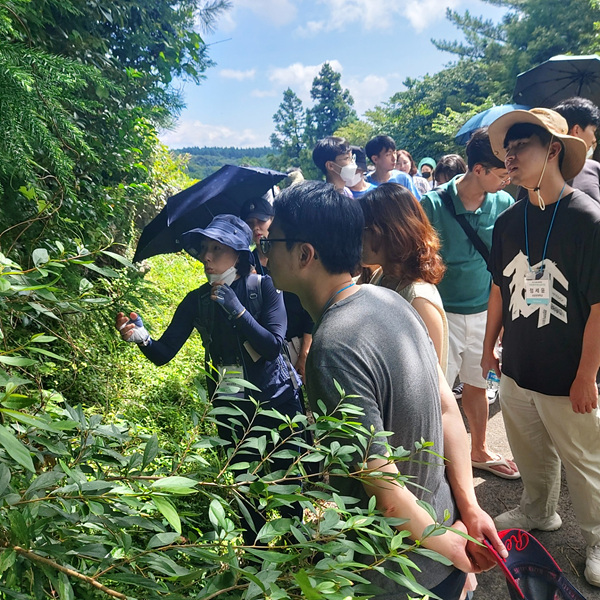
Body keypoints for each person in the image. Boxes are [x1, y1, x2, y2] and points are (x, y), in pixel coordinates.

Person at [264, 180, 507, 600]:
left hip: (397, 573)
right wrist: (469, 510)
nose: (264, 254)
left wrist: (452, 548)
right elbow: (446, 409)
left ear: (304, 255)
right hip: (443, 534)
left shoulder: (333, 347)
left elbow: (381, 484)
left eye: (272, 242)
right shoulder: (391, 301)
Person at [116, 214, 304, 543]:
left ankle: (297, 548)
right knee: (243, 486)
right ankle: (255, 555)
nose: (207, 256)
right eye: (205, 248)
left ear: (239, 254)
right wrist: (142, 338)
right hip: (232, 409)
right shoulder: (197, 301)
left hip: (277, 403)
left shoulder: (264, 288)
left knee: (286, 481)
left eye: (217, 248)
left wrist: (238, 311)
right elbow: (163, 353)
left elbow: (273, 346)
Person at [484, 107, 600, 587]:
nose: (509, 156)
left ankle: (597, 538)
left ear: (553, 150)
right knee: (530, 449)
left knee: (585, 460)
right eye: (506, 148)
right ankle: (538, 510)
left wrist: (586, 375)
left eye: (521, 146)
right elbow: (498, 289)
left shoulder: (587, 218)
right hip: (518, 365)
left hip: (567, 369)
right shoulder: (509, 220)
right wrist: (489, 347)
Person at [421, 128, 519, 480]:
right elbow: (419, 260)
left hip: (484, 313)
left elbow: (507, 265)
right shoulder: (431, 205)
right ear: (478, 169)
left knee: (479, 385)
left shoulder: (503, 203)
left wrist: (504, 320)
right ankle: (433, 463)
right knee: (435, 391)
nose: (508, 179)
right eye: (502, 173)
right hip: (441, 315)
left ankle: (478, 449)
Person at [240, 196, 313, 380]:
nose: (256, 228)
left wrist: (305, 351)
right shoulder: (244, 264)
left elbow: (308, 302)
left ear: (272, 221)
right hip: (267, 346)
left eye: (261, 221)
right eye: (250, 223)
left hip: (298, 341)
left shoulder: (290, 256)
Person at [553, 96, 600, 203]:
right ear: (577, 130)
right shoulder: (592, 168)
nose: (594, 139)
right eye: (593, 131)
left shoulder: (535, 172)